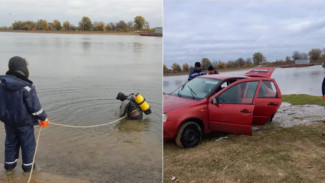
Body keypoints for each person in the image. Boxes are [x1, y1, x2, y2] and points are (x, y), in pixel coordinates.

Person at [0, 56, 49, 174]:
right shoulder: (27, 88)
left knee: (10, 143)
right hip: (24, 124)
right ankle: (28, 168)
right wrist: (43, 118)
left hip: (9, 122)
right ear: (23, 69)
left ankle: (9, 167)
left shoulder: (2, 85)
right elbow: (35, 107)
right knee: (28, 145)